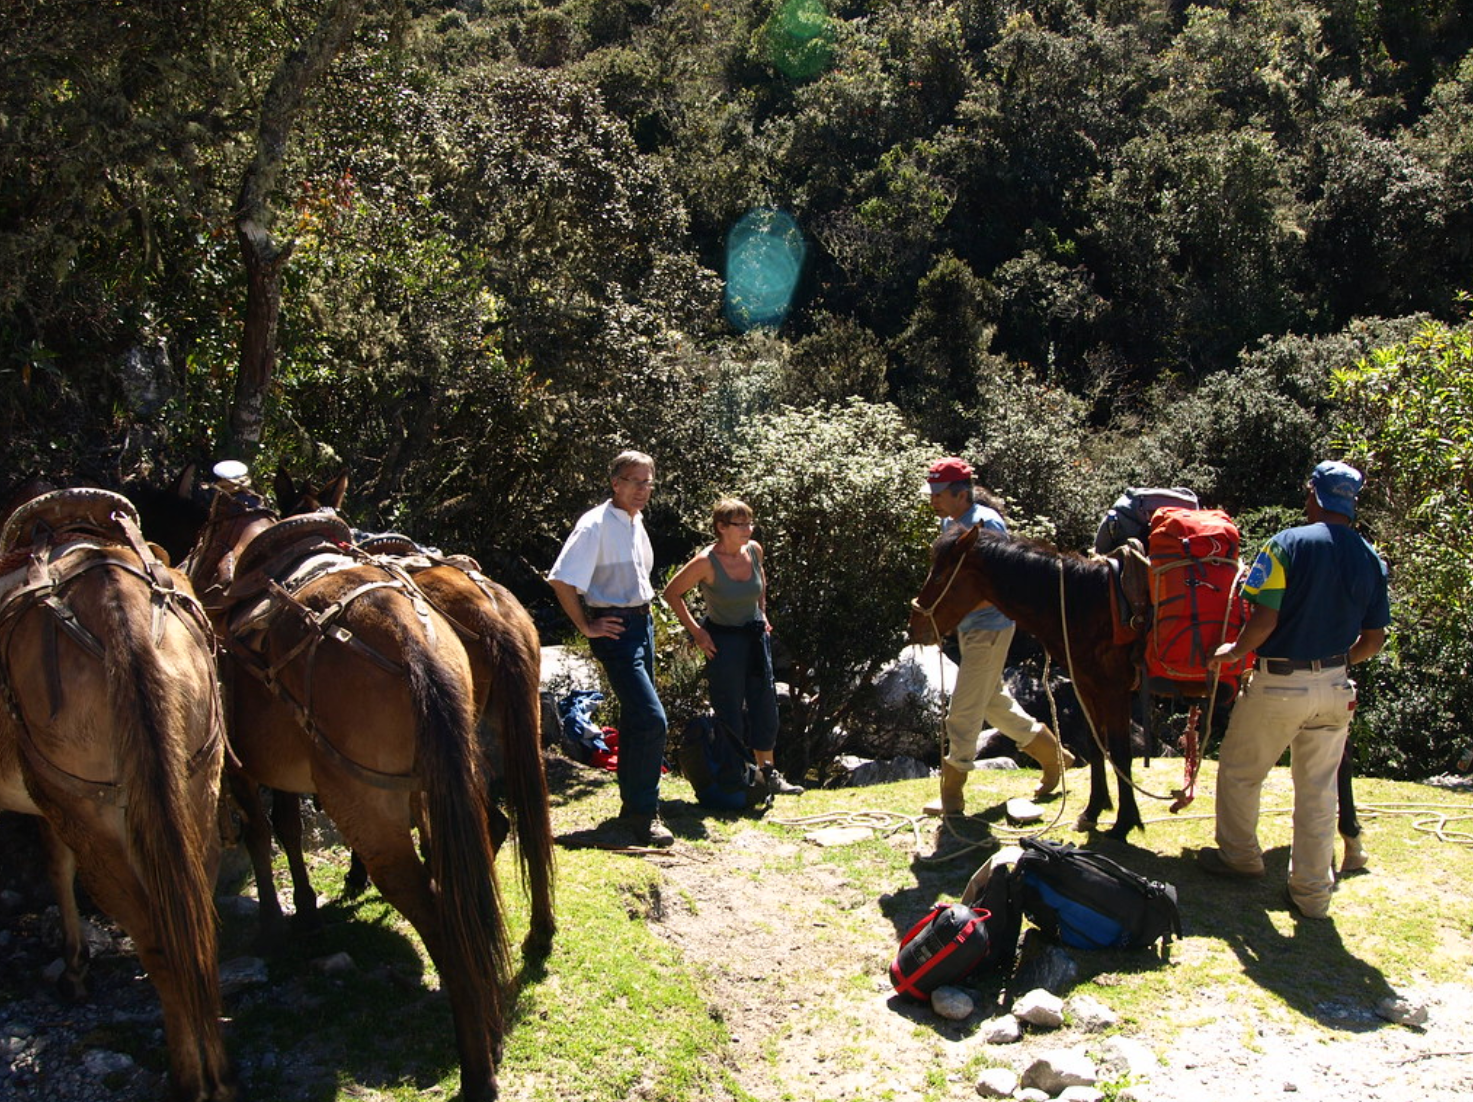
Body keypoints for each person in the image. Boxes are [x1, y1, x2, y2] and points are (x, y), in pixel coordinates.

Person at [1197, 460, 1390, 919]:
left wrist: (1233, 651)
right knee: (1319, 791)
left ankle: (1241, 857)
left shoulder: (1286, 544)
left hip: (1279, 684)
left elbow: (1264, 618)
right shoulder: (1371, 557)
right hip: (1336, 687)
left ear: (1314, 497)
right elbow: (1375, 638)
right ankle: (1311, 896)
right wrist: (1338, 664)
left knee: (1242, 770)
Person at [920, 457, 1075, 816]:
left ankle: (952, 797)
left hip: (990, 629)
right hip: (968, 629)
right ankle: (1055, 758)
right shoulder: (950, 521)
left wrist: (949, 612)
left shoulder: (986, 525)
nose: (933, 500)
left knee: (962, 713)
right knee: (993, 703)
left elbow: (1000, 587)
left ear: (961, 494)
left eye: (938, 494)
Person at [548, 450, 673, 847]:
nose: (642, 489)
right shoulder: (595, 525)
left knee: (638, 721)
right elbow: (562, 579)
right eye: (634, 481)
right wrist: (586, 625)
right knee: (653, 719)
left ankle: (637, 812)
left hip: (642, 623)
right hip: (616, 630)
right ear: (615, 483)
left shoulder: (635, 523)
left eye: (648, 481)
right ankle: (642, 812)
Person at [663, 498, 805, 799]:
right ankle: (737, 776)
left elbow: (761, 580)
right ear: (721, 527)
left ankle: (768, 773)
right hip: (723, 642)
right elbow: (672, 593)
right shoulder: (705, 561)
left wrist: (762, 611)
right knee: (729, 709)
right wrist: (698, 633)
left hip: (755, 637)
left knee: (764, 702)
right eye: (741, 524)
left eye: (750, 523)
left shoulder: (754, 550)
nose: (748, 529)